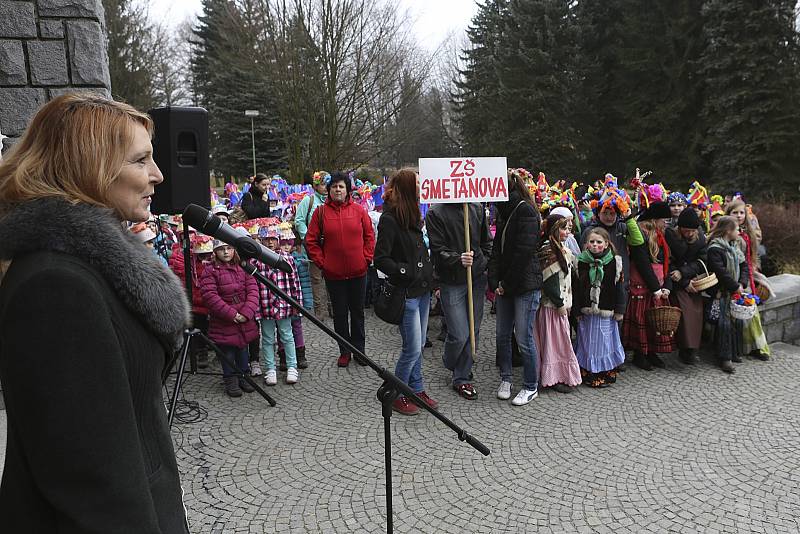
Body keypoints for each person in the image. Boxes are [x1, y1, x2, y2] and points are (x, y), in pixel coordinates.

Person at [0, 94, 191, 532]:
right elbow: (92, 483)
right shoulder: (56, 287)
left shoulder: (92, 266)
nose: (157, 175)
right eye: (140, 160)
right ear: (89, 168)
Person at [374, 169, 437, 415]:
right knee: (411, 347)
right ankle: (394, 393)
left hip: (422, 291)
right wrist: (405, 271)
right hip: (406, 294)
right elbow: (380, 259)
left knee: (419, 344)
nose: (422, 187)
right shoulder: (390, 219)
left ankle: (416, 388)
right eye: (419, 183)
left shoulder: (412, 214)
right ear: (409, 187)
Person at [305, 171, 375, 367]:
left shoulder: (359, 211)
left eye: (341, 186)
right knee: (340, 314)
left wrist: (366, 258)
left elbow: (370, 236)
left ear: (347, 190)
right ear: (328, 190)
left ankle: (360, 351)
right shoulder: (320, 213)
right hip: (334, 274)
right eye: (334, 186)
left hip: (358, 272)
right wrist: (323, 263)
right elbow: (311, 241)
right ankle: (344, 350)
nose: (337, 189)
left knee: (358, 312)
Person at [427, 193, 492, 400]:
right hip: (451, 281)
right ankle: (450, 360)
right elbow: (437, 250)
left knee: (474, 330)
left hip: (476, 278)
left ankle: (461, 376)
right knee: (460, 334)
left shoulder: (477, 208)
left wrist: (480, 263)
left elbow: (486, 243)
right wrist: (457, 259)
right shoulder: (435, 212)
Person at [488, 170, 543, 406]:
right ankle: (506, 378)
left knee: (523, 337)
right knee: (502, 335)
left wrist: (505, 284)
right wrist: (495, 282)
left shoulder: (526, 210)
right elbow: (497, 250)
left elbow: (524, 253)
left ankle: (531, 385)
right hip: (505, 286)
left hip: (524, 285)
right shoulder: (504, 211)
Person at [200, 240, 260, 396]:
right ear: (215, 252)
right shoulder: (210, 271)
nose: (226, 252)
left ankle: (244, 376)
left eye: (229, 248)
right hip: (225, 319)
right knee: (227, 352)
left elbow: (253, 290)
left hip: (243, 318)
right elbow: (210, 296)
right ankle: (230, 379)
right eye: (221, 249)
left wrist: (246, 313)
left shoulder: (242, 268)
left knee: (242, 349)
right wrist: (232, 314)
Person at [623, 202, 677, 370]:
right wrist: (655, 288)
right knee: (642, 319)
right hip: (644, 284)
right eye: (664, 219)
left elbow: (668, 261)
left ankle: (651, 351)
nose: (666, 223)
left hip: (657, 283)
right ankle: (641, 353)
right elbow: (642, 262)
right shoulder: (641, 234)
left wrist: (667, 284)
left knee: (653, 320)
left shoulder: (660, 235)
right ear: (654, 220)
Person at [572, 228, 627, 387]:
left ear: (606, 244)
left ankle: (605, 370)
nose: (595, 245)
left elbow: (620, 288)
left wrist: (619, 310)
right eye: (592, 242)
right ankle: (590, 372)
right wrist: (577, 310)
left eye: (599, 242)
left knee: (604, 342)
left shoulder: (614, 262)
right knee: (588, 341)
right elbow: (576, 288)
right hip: (586, 310)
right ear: (586, 244)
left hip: (606, 310)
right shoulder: (580, 262)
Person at [535, 215, 582, 393]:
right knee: (554, 343)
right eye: (564, 228)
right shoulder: (549, 250)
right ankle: (552, 378)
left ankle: (560, 375)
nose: (567, 232)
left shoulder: (560, 248)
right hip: (551, 306)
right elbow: (550, 282)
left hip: (560, 304)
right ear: (553, 229)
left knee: (561, 341)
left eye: (569, 228)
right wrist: (560, 303)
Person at [257, 225, 304, 385]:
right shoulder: (257, 260)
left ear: (278, 240)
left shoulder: (287, 258)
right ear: (261, 241)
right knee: (268, 338)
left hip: (284, 305)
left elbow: (295, 283)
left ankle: (292, 366)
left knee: (287, 335)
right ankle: (270, 369)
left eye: (273, 239)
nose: (270, 243)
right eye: (266, 240)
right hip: (265, 304)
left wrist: (297, 304)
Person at [725, 198, 770, 360]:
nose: (738, 216)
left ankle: (757, 347)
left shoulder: (748, 233)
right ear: (728, 214)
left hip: (746, 276)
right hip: (731, 277)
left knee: (751, 312)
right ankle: (737, 348)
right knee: (734, 314)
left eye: (741, 212)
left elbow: (751, 257)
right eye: (734, 212)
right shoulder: (727, 234)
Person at [706, 216, 749, 373]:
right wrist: (734, 286)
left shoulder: (734, 246)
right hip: (722, 292)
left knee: (736, 323)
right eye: (737, 229)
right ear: (727, 231)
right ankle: (725, 358)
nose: (739, 231)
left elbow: (744, 266)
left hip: (735, 291)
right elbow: (721, 272)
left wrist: (742, 284)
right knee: (724, 325)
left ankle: (734, 352)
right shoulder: (715, 249)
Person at [665, 208, 707, 365]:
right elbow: (668, 261)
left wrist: (684, 273)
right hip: (675, 281)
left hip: (691, 279)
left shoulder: (700, 239)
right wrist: (682, 280)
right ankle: (686, 348)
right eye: (686, 230)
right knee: (685, 310)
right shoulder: (671, 235)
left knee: (697, 309)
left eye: (692, 231)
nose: (689, 234)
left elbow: (701, 262)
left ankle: (692, 349)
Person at [295, 171, 331, 319]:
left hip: (331, 244)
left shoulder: (332, 200)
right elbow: (299, 221)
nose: (325, 187)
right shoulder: (308, 201)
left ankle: (333, 307)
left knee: (331, 276)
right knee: (316, 278)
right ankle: (319, 310)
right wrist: (308, 238)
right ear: (315, 186)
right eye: (322, 184)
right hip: (314, 244)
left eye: (327, 184)